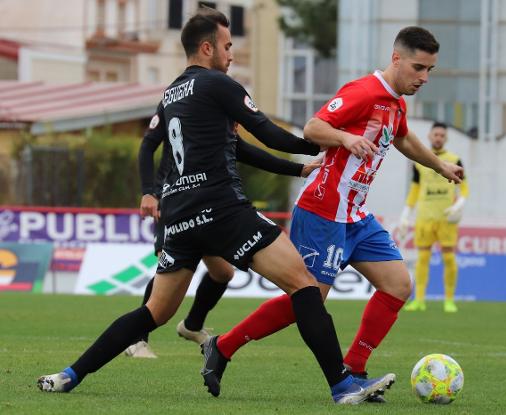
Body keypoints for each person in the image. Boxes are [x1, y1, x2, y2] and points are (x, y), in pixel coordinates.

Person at [37, 9, 395, 404]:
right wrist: (331, 140)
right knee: (304, 285)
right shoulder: (218, 84)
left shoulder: (172, 94)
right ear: (206, 48)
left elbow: (237, 147)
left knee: (154, 312)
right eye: (227, 46)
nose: (231, 54)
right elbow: (265, 131)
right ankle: (343, 386)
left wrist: (298, 168)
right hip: (222, 208)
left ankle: (70, 374)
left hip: (179, 216)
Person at [200, 26, 463, 404]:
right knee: (307, 301)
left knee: (398, 286)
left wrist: (438, 165)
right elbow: (313, 127)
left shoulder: (396, 104)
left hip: (355, 216)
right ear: (396, 59)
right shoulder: (363, 92)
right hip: (322, 211)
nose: (423, 78)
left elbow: (403, 138)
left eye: (429, 71)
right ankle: (222, 347)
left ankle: (355, 369)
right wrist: (345, 138)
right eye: (418, 68)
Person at [125, 122, 322, 358]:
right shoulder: (178, 100)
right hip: (174, 202)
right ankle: (137, 340)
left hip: (205, 208)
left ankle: (192, 326)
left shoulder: (216, 117)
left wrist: (299, 169)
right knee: (167, 269)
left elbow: (245, 151)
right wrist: (149, 191)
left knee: (223, 274)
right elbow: (148, 144)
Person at [398, 121, 469, 313]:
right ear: (429, 136)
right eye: (435, 134)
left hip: (446, 218)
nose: (438, 138)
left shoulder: (455, 159)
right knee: (422, 258)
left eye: (442, 135)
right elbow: (414, 190)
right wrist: (405, 215)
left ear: (445, 138)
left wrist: (459, 205)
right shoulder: (420, 160)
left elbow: (463, 188)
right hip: (425, 217)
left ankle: (449, 300)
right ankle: (419, 300)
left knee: (449, 259)